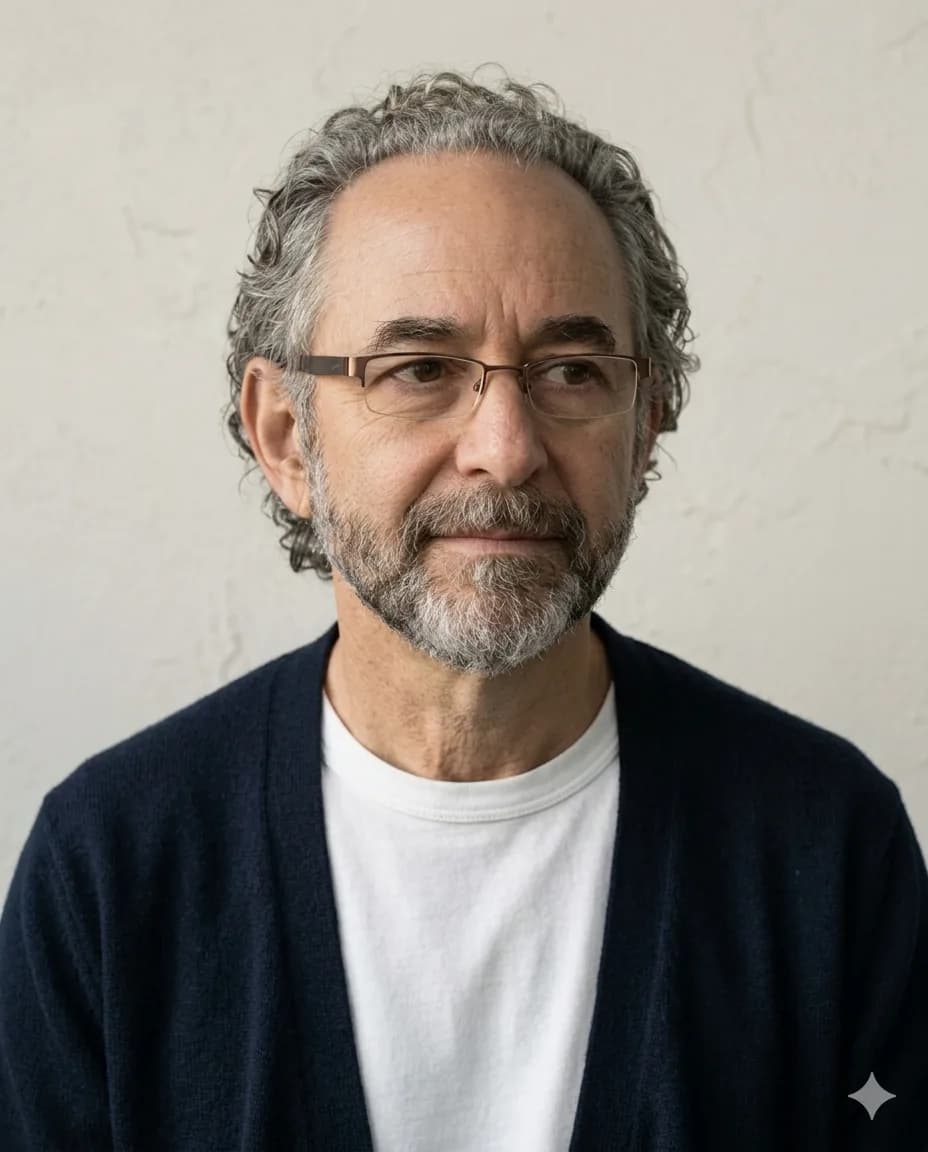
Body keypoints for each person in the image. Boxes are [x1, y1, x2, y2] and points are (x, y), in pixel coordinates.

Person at [1, 69, 925, 1152]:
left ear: (645, 426)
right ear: (286, 436)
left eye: (571, 371)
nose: (505, 447)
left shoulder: (825, 848)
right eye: (420, 369)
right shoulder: (113, 869)